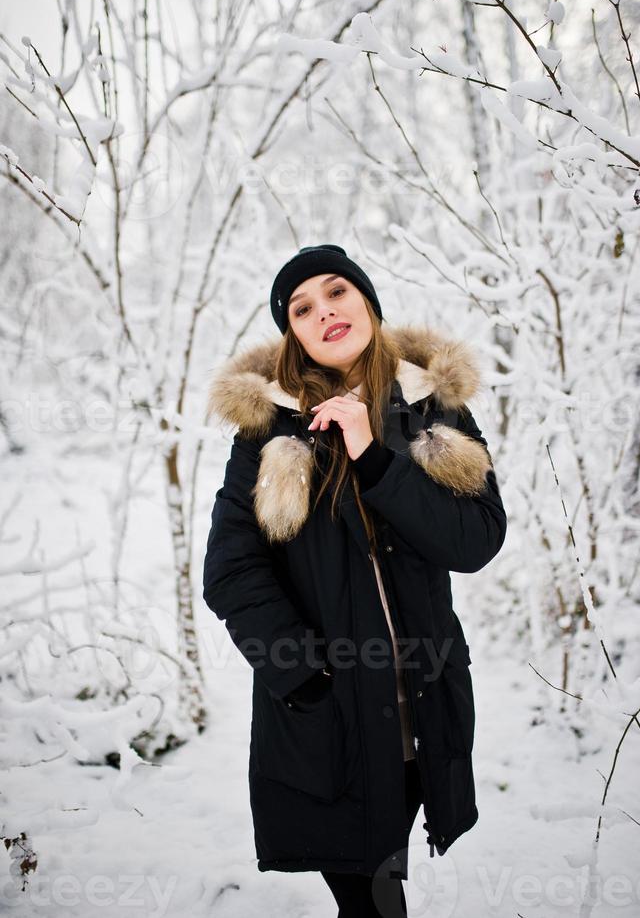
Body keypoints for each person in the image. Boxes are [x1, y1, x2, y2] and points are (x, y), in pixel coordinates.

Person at [202, 243, 507, 917]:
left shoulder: (433, 409)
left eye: (337, 291)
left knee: (383, 874)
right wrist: (306, 675)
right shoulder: (267, 434)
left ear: (367, 299)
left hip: (422, 709)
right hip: (328, 720)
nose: (325, 313)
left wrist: (374, 457)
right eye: (302, 308)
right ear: (293, 335)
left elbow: (476, 539)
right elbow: (230, 570)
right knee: (370, 900)